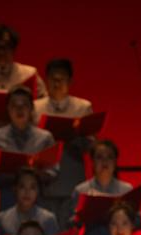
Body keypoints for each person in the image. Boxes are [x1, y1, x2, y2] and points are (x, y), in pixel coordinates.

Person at [34, 59, 94, 225]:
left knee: (70, 229)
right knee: (45, 227)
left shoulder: (82, 107)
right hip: (45, 181)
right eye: (53, 79)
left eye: (62, 79)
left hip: (72, 176)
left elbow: (91, 145)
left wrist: (78, 140)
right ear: (47, 80)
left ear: (70, 81)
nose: (57, 83)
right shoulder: (36, 108)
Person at [72, 139, 135, 235]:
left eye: (109, 157)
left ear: (115, 162)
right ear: (92, 162)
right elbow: (73, 223)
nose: (105, 162)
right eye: (99, 157)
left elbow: (137, 220)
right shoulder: (81, 190)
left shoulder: (126, 190)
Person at [0, 87, 58, 209]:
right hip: (5, 197)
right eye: (14, 105)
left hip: (36, 199)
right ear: (8, 109)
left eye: (24, 105)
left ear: (32, 108)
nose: (19, 109)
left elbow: (53, 171)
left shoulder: (45, 137)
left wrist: (36, 173)